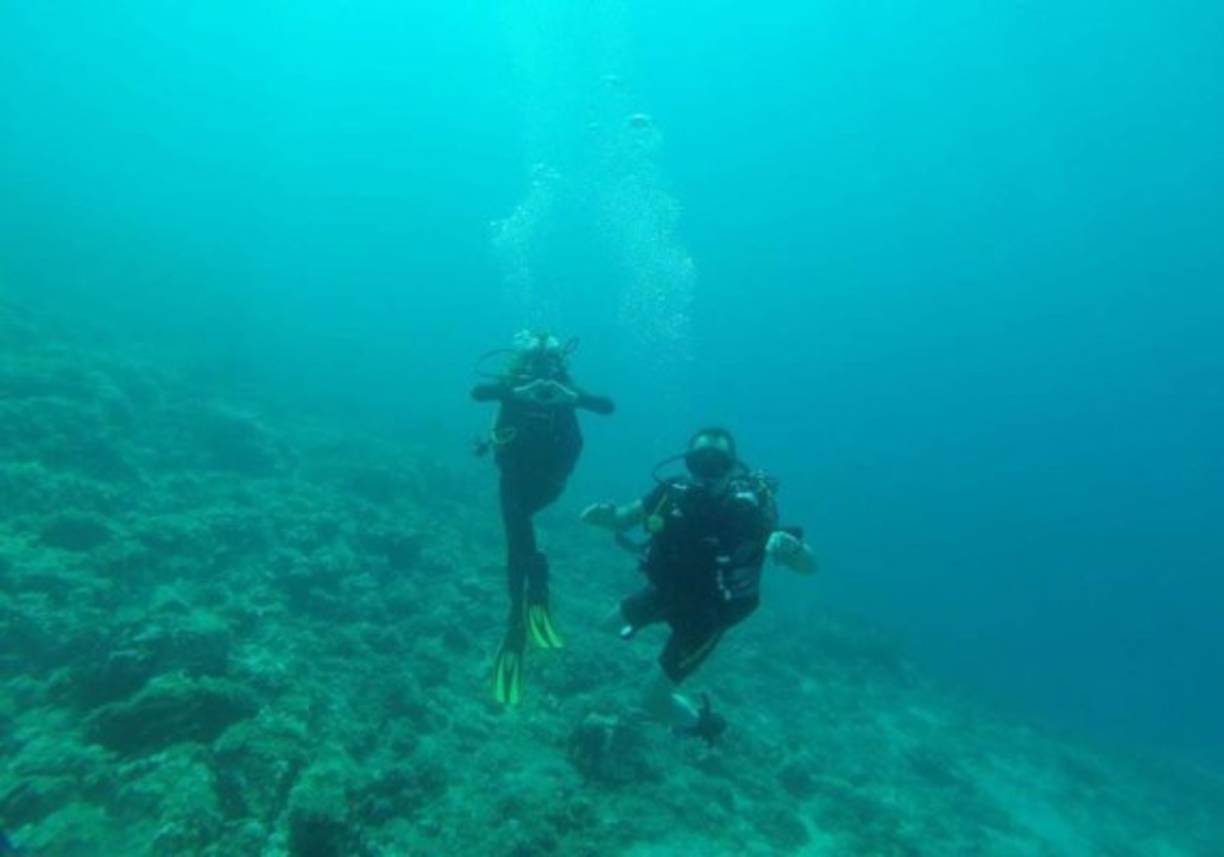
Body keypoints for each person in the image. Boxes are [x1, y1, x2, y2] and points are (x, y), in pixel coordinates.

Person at [581, 427, 816, 742]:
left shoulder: (748, 512)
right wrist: (604, 516)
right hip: (664, 592)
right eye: (699, 463)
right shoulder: (671, 491)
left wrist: (794, 550)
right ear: (687, 464)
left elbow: (809, 567)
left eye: (717, 463)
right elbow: (624, 517)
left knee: (650, 698)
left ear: (732, 467)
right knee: (603, 629)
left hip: (706, 617)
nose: (708, 473)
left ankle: (700, 725)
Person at [473, 330, 615, 705]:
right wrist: (513, 393)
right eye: (535, 365)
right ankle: (523, 606)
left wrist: (575, 398)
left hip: (550, 481)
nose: (542, 374)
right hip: (515, 476)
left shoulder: (566, 389)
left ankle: (525, 602)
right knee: (516, 531)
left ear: (559, 365)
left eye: (549, 365)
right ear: (523, 364)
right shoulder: (513, 386)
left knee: (518, 525)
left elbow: (607, 405)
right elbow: (477, 393)